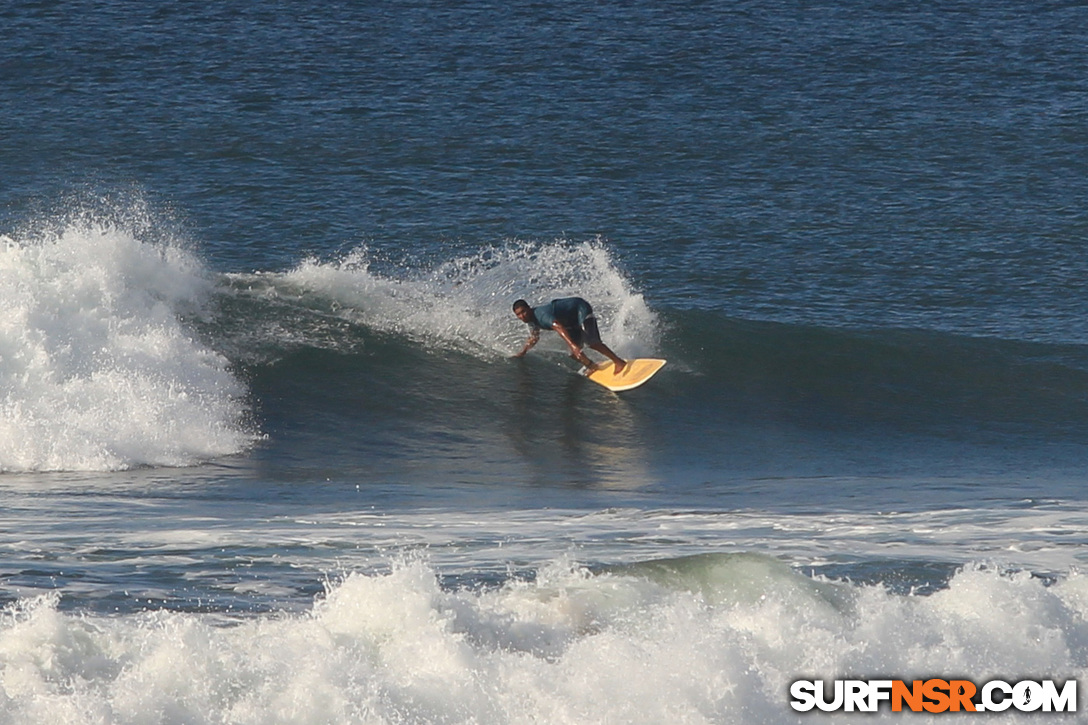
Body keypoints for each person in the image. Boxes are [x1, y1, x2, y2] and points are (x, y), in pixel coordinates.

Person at [512, 297, 626, 373]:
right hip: (571, 321)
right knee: (572, 354)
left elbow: (558, 326)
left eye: (523, 311)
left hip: (580, 309)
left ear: (529, 308)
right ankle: (592, 366)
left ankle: (619, 362)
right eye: (519, 314)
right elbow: (534, 337)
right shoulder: (531, 321)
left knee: (592, 342)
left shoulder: (541, 315)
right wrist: (523, 351)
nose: (522, 316)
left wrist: (573, 345)